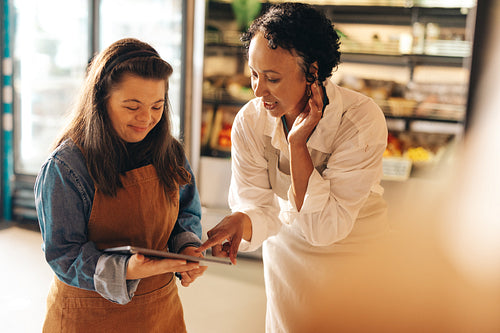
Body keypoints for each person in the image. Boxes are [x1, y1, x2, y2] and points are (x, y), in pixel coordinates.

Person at [196, 3, 389, 332]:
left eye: (272, 78)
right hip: (288, 258)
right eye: (254, 74)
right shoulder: (251, 121)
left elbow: (324, 229)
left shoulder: (359, 121)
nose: (258, 91)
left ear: (312, 72)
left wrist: (297, 146)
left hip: (355, 260)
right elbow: (259, 205)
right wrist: (241, 220)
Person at [34, 38, 207, 332]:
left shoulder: (170, 152)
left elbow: (185, 214)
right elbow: (64, 254)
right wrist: (124, 270)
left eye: (157, 106)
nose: (146, 118)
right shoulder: (66, 167)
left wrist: (188, 247)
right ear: (101, 100)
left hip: (159, 311)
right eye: (132, 106)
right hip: (88, 315)